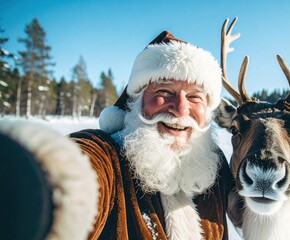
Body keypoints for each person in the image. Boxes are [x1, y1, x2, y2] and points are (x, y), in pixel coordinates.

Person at [0, 31, 233, 240]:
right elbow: (73, 170)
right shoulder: (108, 156)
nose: (181, 109)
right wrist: (34, 177)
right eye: (164, 91)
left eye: (195, 97)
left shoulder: (214, 165)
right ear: (137, 100)